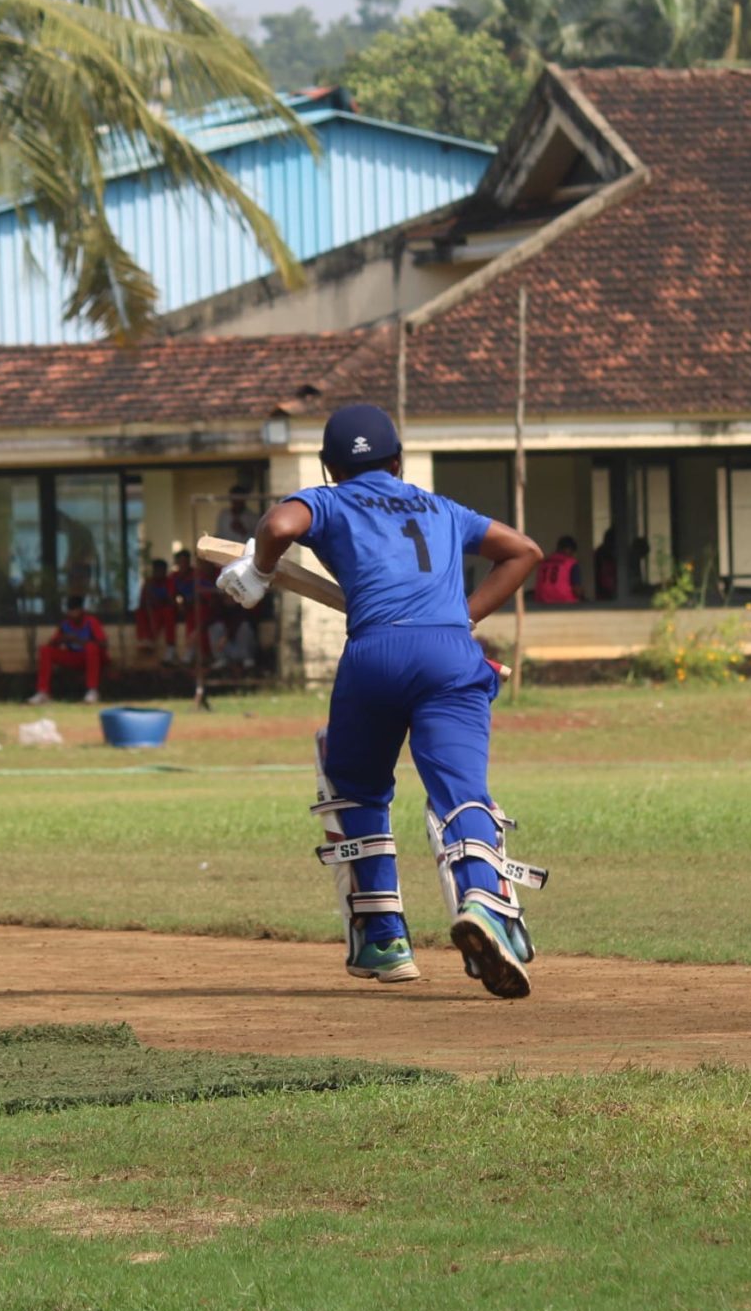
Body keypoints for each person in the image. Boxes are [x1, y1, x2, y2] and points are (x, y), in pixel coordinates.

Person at [217, 403, 548, 996]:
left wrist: (259, 572)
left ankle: (383, 937)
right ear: (397, 462)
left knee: (353, 782)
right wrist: (458, 618)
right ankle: (487, 905)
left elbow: (277, 527)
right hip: (450, 656)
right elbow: (524, 551)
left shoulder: (329, 500)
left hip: (374, 655)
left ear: (327, 467)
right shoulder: (442, 507)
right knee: (462, 791)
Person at [29, 595, 106, 705]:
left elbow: (103, 644)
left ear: (81, 611)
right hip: (73, 657)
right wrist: (62, 639)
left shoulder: (91, 622)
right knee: (45, 650)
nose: (72, 614)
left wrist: (78, 641)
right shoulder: (65, 624)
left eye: (75, 611)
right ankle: (43, 692)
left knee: (91, 648)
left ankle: (92, 691)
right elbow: (51, 644)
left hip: (91, 658)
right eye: (70, 611)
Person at [165, 548, 203, 665]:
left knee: (194, 614)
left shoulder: (196, 574)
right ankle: (171, 648)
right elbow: (172, 595)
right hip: (180, 607)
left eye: (185, 562)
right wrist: (179, 603)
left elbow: (200, 594)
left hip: (194, 606)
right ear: (177, 563)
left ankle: (190, 650)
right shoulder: (173, 576)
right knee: (168, 613)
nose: (183, 565)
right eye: (180, 562)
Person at [134, 558, 178, 657]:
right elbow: (143, 602)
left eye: (160, 570)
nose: (158, 572)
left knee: (168, 612)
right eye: (156, 570)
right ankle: (145, 639)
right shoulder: (149, 582)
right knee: (140, 612)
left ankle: (170, 647)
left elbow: (170, 600)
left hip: (165, 610)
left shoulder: (169, 581)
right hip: (152, 611)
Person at [533, 535, 584, 604]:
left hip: (542, 603)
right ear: (569, 549)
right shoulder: (571, 563)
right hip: (565, 603)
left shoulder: (544, 562)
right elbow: (577, 590)